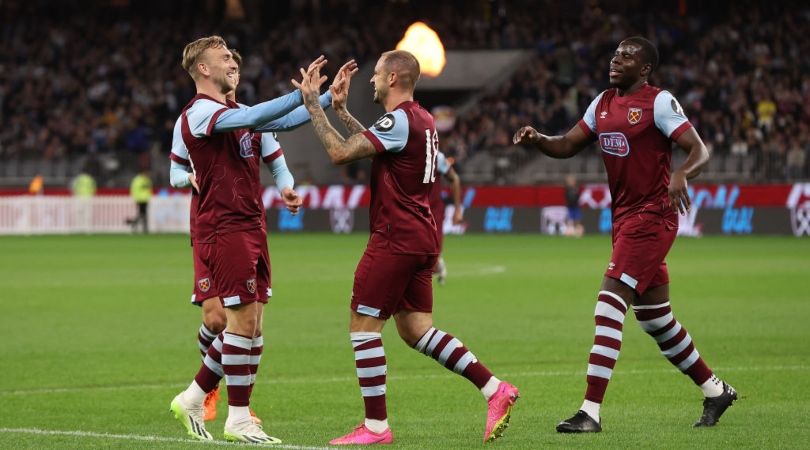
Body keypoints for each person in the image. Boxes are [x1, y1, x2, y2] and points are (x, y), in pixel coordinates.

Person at [513, 36, 737, 433]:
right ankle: (715, 390)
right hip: (624, 221)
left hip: (652, 218)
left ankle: (590, 412)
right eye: (615, 54)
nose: (616, 60)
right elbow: (567, 144)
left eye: (627, 57)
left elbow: (699, 150)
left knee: (609, 301)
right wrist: (539, 141)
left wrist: (682, 173)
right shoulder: (602, 103)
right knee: (657, 321)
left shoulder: (659, 103)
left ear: (645, 69)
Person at [297, 50, 519, 445]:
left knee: (363, 329)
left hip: (394, 238)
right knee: (417, 330)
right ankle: (494, 389)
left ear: (395, 78)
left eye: (378, 74)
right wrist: (343, 110)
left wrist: (315, 104)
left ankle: (376, 427)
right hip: (421, 237)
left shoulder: (400, 121)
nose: (372, 80)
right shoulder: (422, 119)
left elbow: (340, 153)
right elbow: (376, 143)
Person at [168, 35, 325, 444]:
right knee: (233, 320)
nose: (232, 64)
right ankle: (236, 417)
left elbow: (280, 124)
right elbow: (260, 117)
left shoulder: (236, 112)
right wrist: (303, 95)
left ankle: (193, 398)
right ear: (203, 68)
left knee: (252, 324)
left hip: (251, 223)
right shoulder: (200, 112)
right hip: (223, 225)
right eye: (223, 58)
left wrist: (325, 102)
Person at [431, 151, 463, 285]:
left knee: (431, 261)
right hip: (411, 211)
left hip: (433, 212)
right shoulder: (405, 152)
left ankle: (438, 264)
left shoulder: (437, 157)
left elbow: (454, 179)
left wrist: (457, 209)